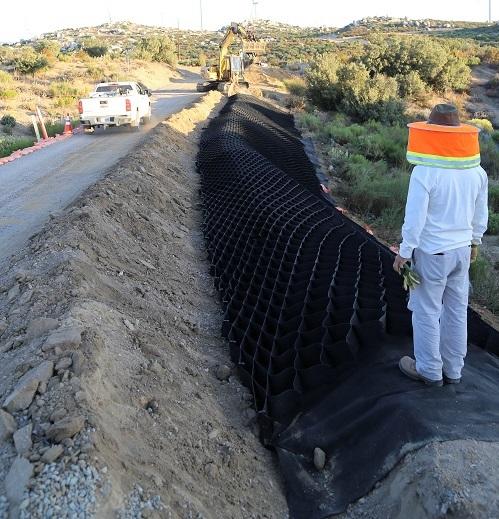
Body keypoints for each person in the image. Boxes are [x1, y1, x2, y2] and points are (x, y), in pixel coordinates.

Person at [393, 104, 488, 387]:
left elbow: (415, 219)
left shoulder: (425, 172)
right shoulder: (477, 171)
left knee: (426, 310)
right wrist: (475, 241)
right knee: (457, 311)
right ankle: (453, 370)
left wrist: (404, 252)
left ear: (431, 133)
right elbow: (480, 213)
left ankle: (429, 370)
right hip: (461, 253)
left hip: (433, 253)